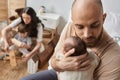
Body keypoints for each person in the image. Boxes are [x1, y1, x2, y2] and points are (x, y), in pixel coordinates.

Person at [21, 0, 120, 80]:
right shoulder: (70, 27)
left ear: (103, 19)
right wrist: (60, 65)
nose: (87, 35)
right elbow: (54, 61)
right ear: (73, 21)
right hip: (61, 75)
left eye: (94, 25)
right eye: (80, 27)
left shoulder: (114, 56)